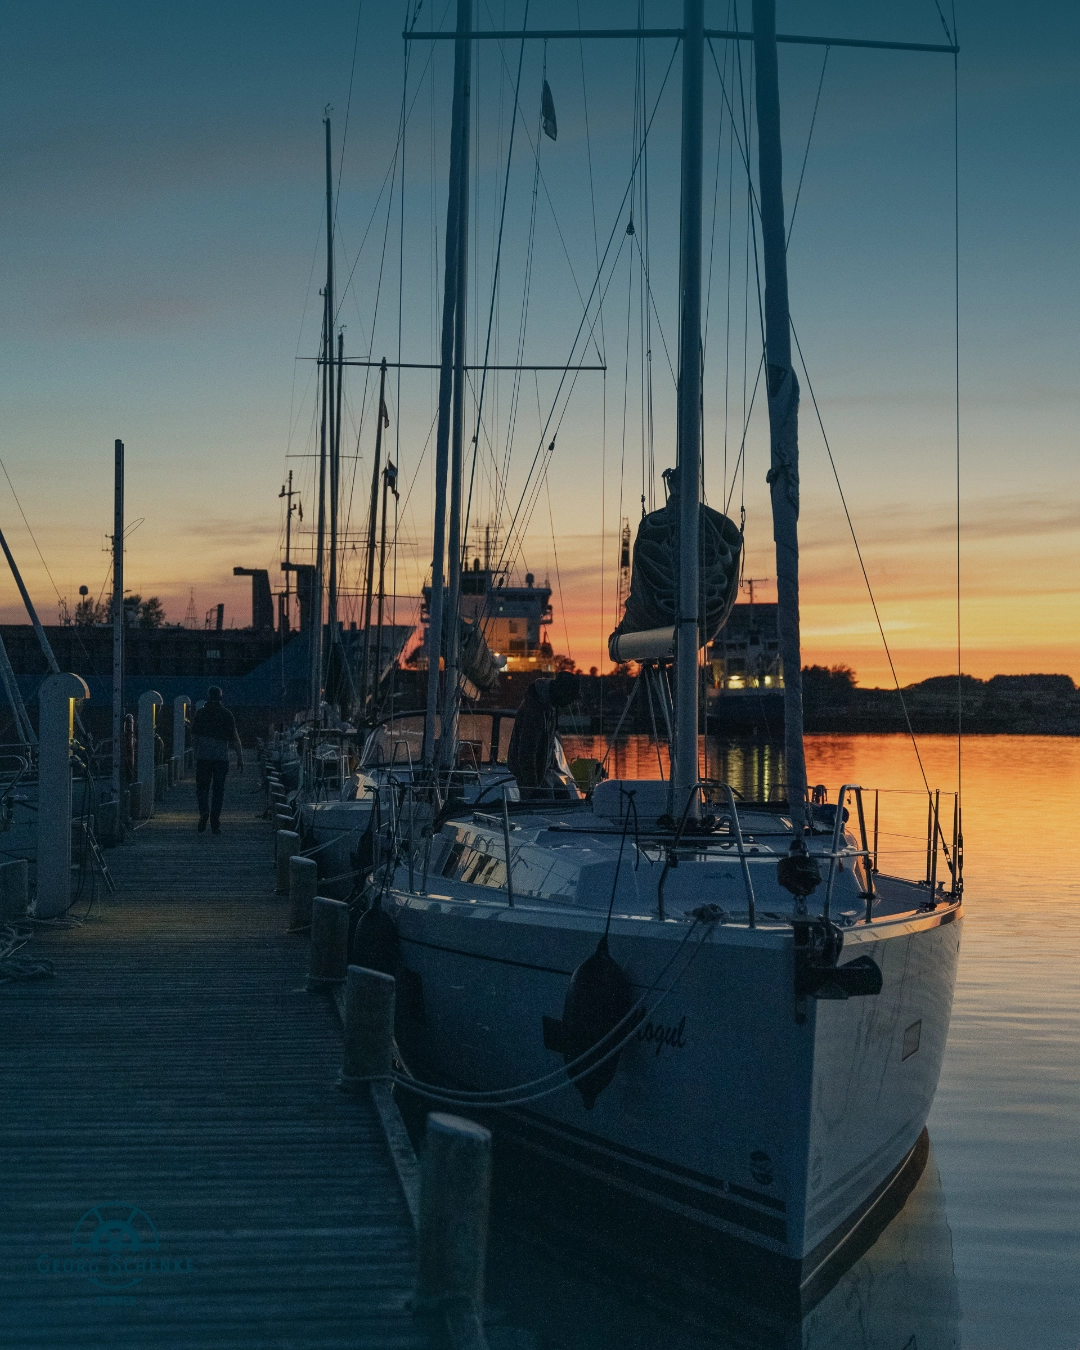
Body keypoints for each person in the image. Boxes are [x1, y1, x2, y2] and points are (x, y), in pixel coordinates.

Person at [506, 670, 580, 795]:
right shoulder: (534, 711)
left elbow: (549, 744)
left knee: (564, 795)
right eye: (570, 697)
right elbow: (526, 752)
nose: (571, 702)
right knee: (545, 799)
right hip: (529, 772)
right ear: (561, 692)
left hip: (546, 770)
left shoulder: (551, 705)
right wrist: (532, 786)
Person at [191, 687, 244, 834]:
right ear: (221, 698)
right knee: (218, 790)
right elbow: (235, 737)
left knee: (202, 788)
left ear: (208, 697)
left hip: (203, 757)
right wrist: (240, 757)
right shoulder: (227, 714)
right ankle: (215, 822)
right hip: (221, 757)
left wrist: (195, 753)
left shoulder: (200, 713)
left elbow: (194, 737)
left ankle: (204, 812)